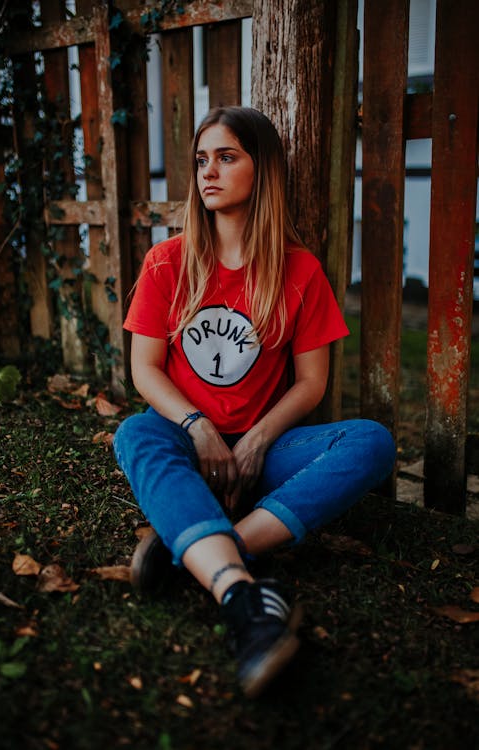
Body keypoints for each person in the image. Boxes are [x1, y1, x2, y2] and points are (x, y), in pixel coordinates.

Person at [113, 106, 395, 698]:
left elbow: (310, 384)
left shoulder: (298, 271)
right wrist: (197, 426)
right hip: (189, 443)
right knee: (136, 434)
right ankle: (242, 596)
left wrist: (258, 441)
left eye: (226, 157)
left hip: (263, 456)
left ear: (262, 169)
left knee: (371, 441)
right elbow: (144, 369)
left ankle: (196, 547)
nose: (207, 172)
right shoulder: (167, 261)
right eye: (200, 160)